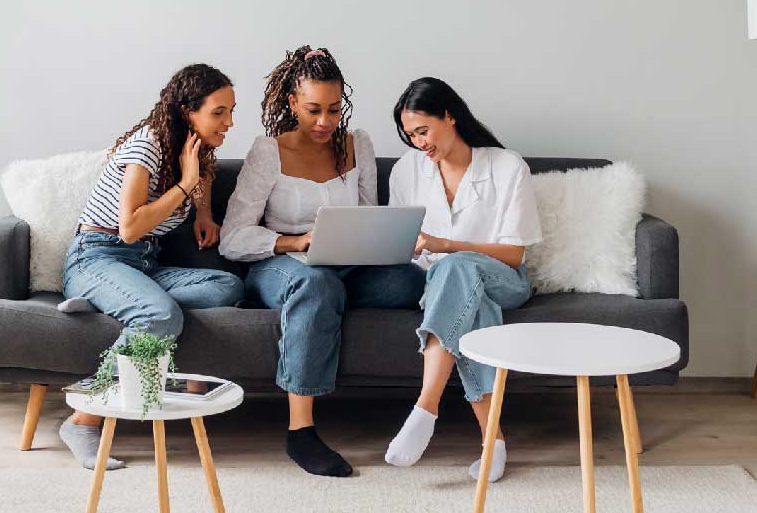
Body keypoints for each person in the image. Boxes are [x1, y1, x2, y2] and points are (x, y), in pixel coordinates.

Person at [221, 46, 422, 477]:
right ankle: (301, 432)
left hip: (346, 266)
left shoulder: (357, 145)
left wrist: (383, 241)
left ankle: (443, 404)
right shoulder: (267, 152)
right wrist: (298, 241)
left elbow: (369, 214)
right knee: (317, 284)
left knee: (411, 281)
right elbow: (233, 238)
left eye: (333, 109)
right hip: (280, 265)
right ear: (292, 102)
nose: (324, 122)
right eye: (313, 110)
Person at [59, 63, 246, 470]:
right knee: (160, 314)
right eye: (219, 112)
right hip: (98, 254)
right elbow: (129, 228)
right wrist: (185, 184)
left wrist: (202, 211)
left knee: (226, 286)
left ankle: (108, 300)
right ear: (186, 111)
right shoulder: (146, 146)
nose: (229, 122)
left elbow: (204, 175)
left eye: (231, 111)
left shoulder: (195, 149)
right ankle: (84, 419)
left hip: (144, 265)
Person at [382, 77, 542, 482]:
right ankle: (494, 444)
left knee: (457, 267)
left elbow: (514, 254)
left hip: (504, 278)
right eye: (411, 135)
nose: (419, 143)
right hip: (439, 285)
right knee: (469, 301)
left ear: (449, 116)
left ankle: (426, 406)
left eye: (423, 131)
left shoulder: (507, 167)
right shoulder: (406, 171)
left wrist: (446, 245)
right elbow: (399, 242)